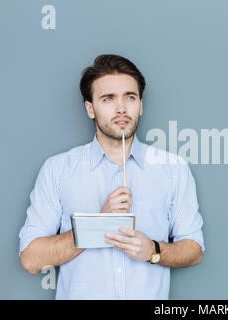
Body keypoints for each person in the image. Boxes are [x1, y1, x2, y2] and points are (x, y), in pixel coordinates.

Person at [18, 54, 205, 299]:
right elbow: (31, 259)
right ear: (90, 109)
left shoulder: (173, 169)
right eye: (108, 99)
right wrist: (97, 224)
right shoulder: (58, 169)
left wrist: (153, 251)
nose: (121, 108)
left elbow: (194, 249)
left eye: (130, 97)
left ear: (140, 105)